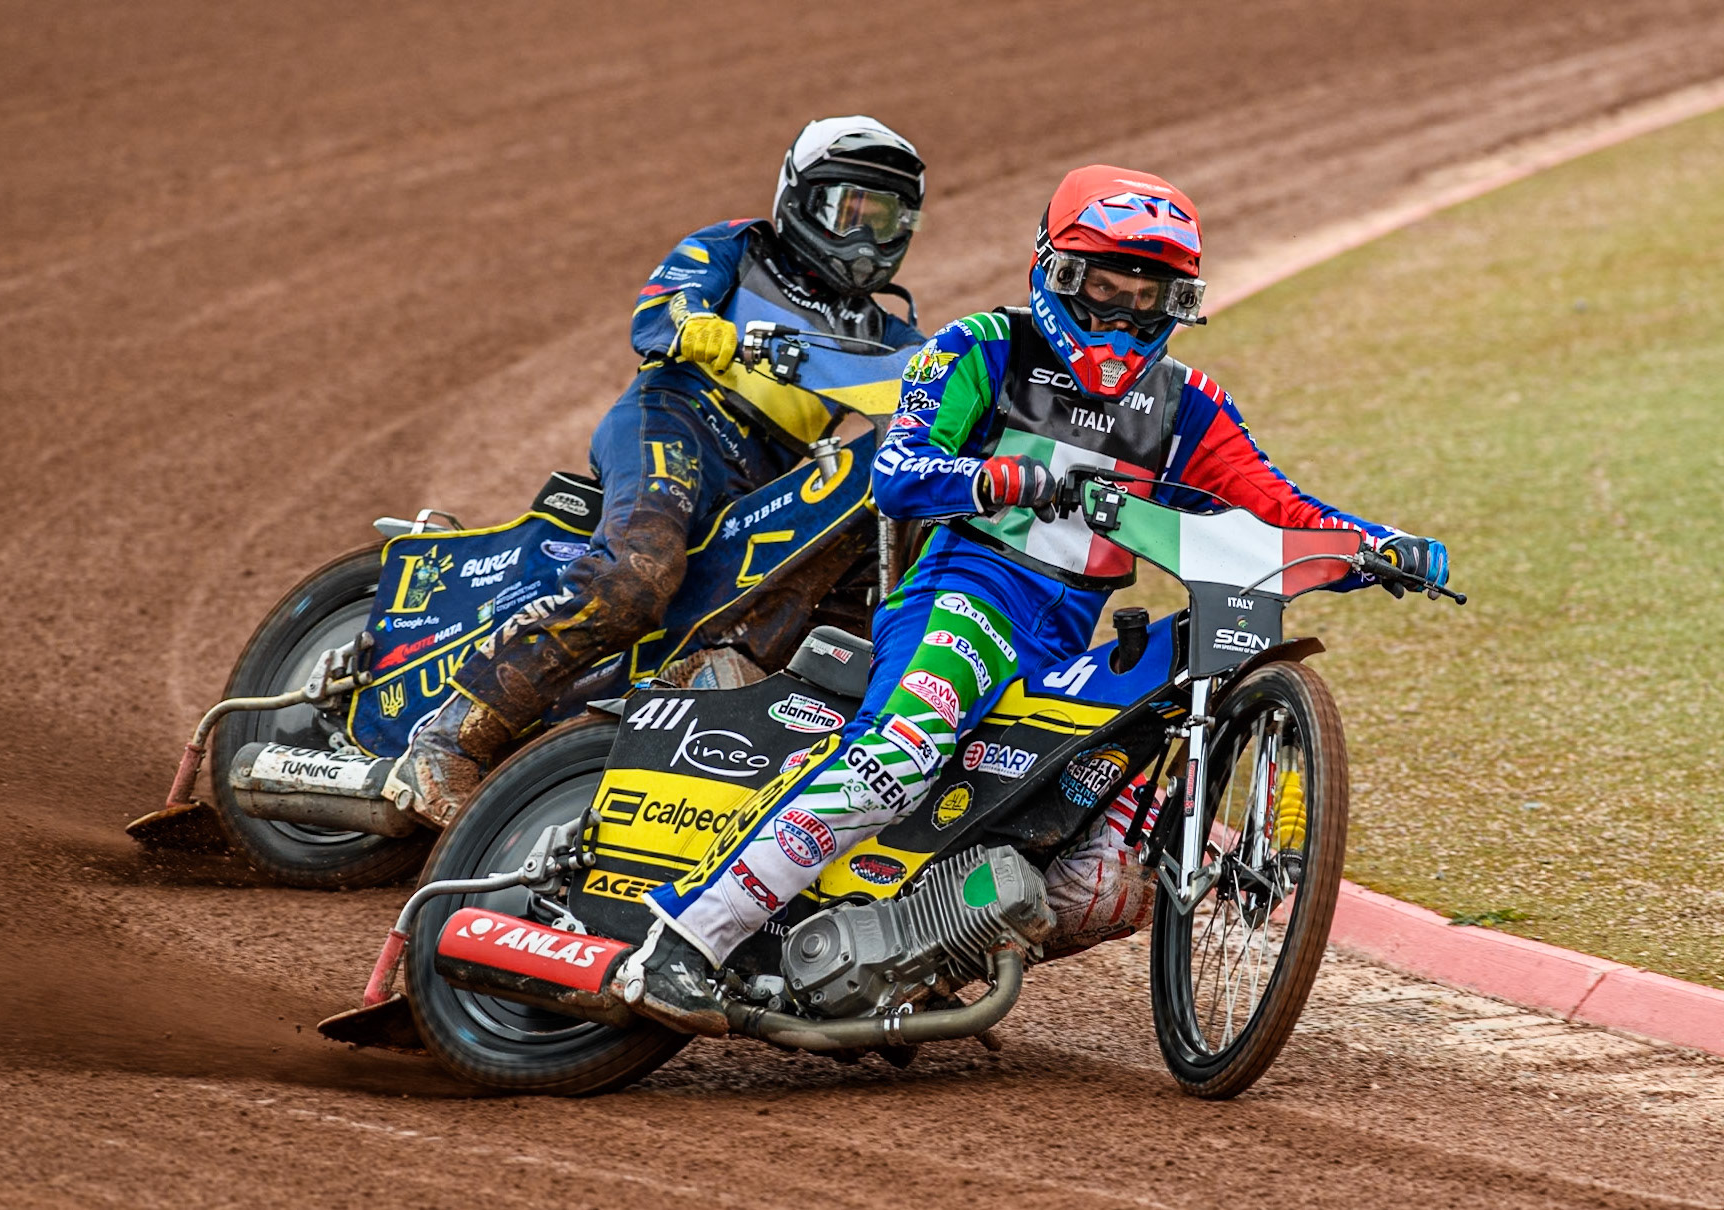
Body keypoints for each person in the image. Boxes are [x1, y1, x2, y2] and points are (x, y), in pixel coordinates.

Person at [627, 164, 1450, 1034]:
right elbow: (902, 474)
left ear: (1179, 304)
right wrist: (999, 479)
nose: (1124, 313)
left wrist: (1378, 547)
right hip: (963, 594)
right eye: (1106, 287)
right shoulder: (980, 346)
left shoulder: (1190, 405)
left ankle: (924, 948)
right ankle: (683, 939)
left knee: (1107, 867)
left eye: (1149, 296)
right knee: (899, 758)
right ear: (1058, 275)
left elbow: (1281, 507)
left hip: (1063, 639)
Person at [387, 117, 928, 828]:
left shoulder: (890, 332)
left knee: (837, 604)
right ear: (800, 199)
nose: (863, 236)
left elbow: (942, 383)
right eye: (847, 210)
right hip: (676, 418)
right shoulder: (739, 249)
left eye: (882, 218)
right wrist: (695, 323)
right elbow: (661, 305)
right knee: (636, 576)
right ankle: (442, 741)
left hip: (768, 478)